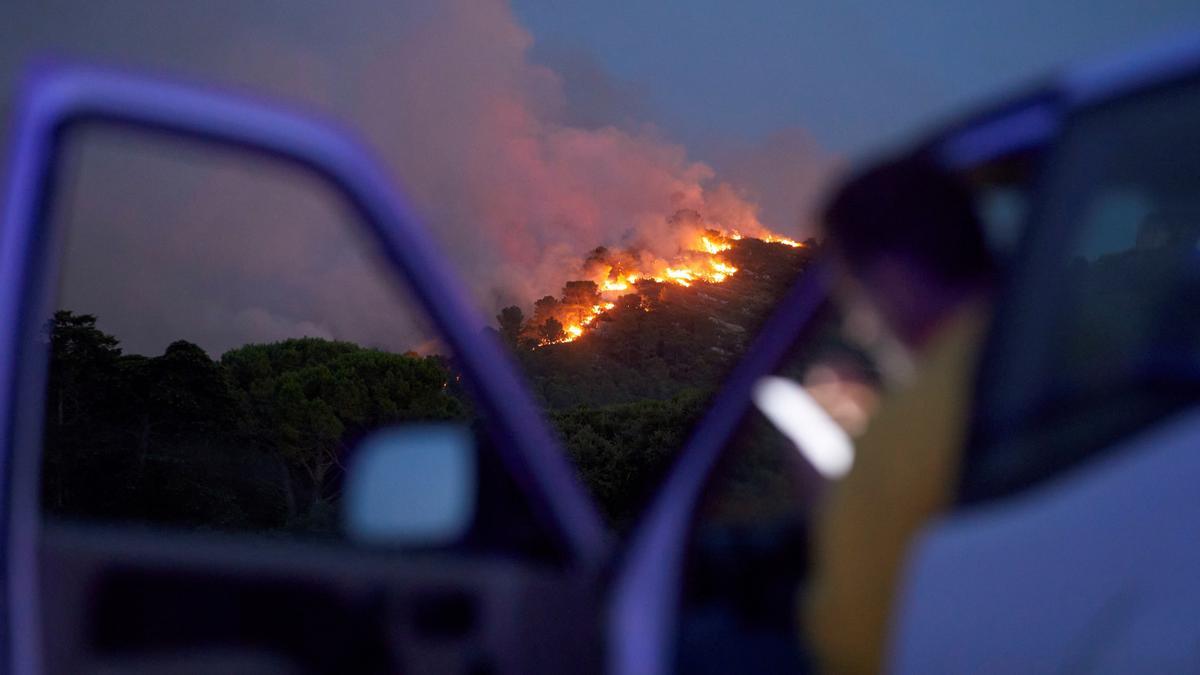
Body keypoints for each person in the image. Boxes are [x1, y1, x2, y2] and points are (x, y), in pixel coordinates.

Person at [801, 156, 997, 674]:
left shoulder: (897, 443)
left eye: (852, 295)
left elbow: (854, 648)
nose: (858, 327)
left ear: (891, 278)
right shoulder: (1077, 349)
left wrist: (836, 495)